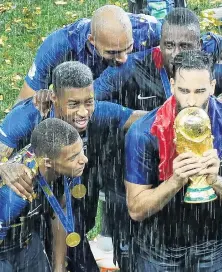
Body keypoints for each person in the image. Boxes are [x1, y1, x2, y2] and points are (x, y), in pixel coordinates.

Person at [0, 61, 143, 272]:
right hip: (16, 225)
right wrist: (3, 167)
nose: (84, 112)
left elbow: (142, 118)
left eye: (89, 102)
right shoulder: (26, 118)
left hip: (49, 220)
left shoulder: (94, 115)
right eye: (74, 104)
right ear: (54, 98)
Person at [124, 50, 222, 271]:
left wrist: (215, 180)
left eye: (200, 91)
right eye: (184, 91)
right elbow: (136, 209)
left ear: (213, 86)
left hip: (216, 243)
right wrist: (175, 181)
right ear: (173, 85)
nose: (192, 101)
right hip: (159, 246)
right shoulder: (144, 133)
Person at [17, 5, 161, 102]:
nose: (123, 58)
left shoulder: (148, 29)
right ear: (92, 40)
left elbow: (180, 39)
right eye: (112, 52)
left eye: (128, 47)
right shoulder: (58, 46)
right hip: (81, 107)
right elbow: (25, 103)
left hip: (135, 98)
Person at [0, 118, 88, 272]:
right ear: (48, 162)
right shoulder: (16, 192)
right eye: (74, 157)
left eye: (81, 151)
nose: (84, 160)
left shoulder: (64, 162)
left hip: (27, 241)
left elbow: (59, 211)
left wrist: (59, 267)